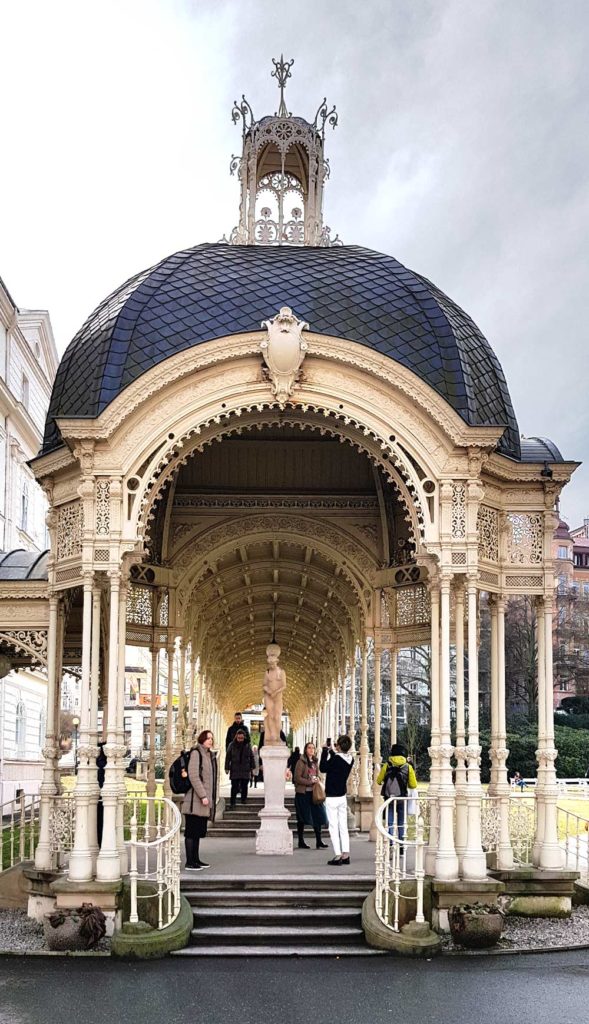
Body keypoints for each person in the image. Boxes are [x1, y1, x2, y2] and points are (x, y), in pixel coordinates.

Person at [181, 729, 218, 871]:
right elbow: (194, 776)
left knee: (197, 832)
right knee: (191, 831)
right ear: (202, 739)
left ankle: (195, 859)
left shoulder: (208, 755)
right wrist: (203, 796)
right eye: (208, 738)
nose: (210, 740)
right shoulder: (197, 753)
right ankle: (190, 862)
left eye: (211, 738)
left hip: (203, 801)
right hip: (194, 801)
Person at [320, 735, 354, 865]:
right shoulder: (350, 759)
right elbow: (338, 758)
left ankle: (338, 854)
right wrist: (332, 751)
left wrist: (324, 751)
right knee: (343, 826)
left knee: (333, 827)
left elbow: (323, 768)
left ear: (339, 746)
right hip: (342, 796)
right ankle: (346, 854)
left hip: (332, 796)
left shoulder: (335, 759)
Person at [376, 742, 417, 841]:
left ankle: (390, 843)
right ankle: (401, 844)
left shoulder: (387, 765)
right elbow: (413, 785)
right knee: (401, 822)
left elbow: (378, 781)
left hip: (389, 797)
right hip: (402, 797)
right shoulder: (408, 767)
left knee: (390, 822)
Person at [293, 741, 329, 850]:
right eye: (309, 748)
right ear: (305, 749)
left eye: (313, 748)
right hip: (303, 793)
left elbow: (317, 775)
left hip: (314, 793)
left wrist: (318, 779)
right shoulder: (301, 762)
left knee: (318, 815)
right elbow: (297, 778)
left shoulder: (315, 762)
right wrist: (309, 782)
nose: (311, 750)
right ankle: (301, 841)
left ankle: (319, 840)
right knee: (302, 817)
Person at [225, 728, 255, 807]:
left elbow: (251, 756)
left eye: (242, 738)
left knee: (244, 785)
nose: (240, 740)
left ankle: (244, 799)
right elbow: (228, 757)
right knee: (234, 786)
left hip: (245, 768)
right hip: (235, 768)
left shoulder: (247, 745)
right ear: (236, 737)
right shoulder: (231, 745)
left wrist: (253, 766)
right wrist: (227, 767)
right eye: (239, 738)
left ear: (244, 737)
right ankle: (232, 802)